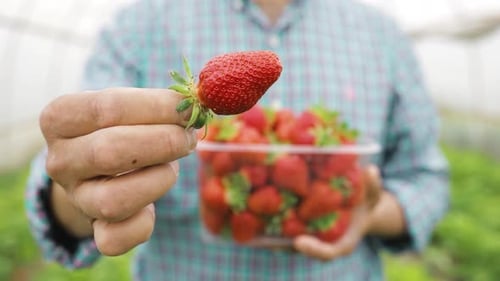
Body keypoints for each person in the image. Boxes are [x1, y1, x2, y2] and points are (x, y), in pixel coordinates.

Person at [25, 0, 450, 280]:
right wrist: (80, 192)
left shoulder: (383, 35)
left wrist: (367, 212)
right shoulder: (141, 22)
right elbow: (67, 176)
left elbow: (426, 179)